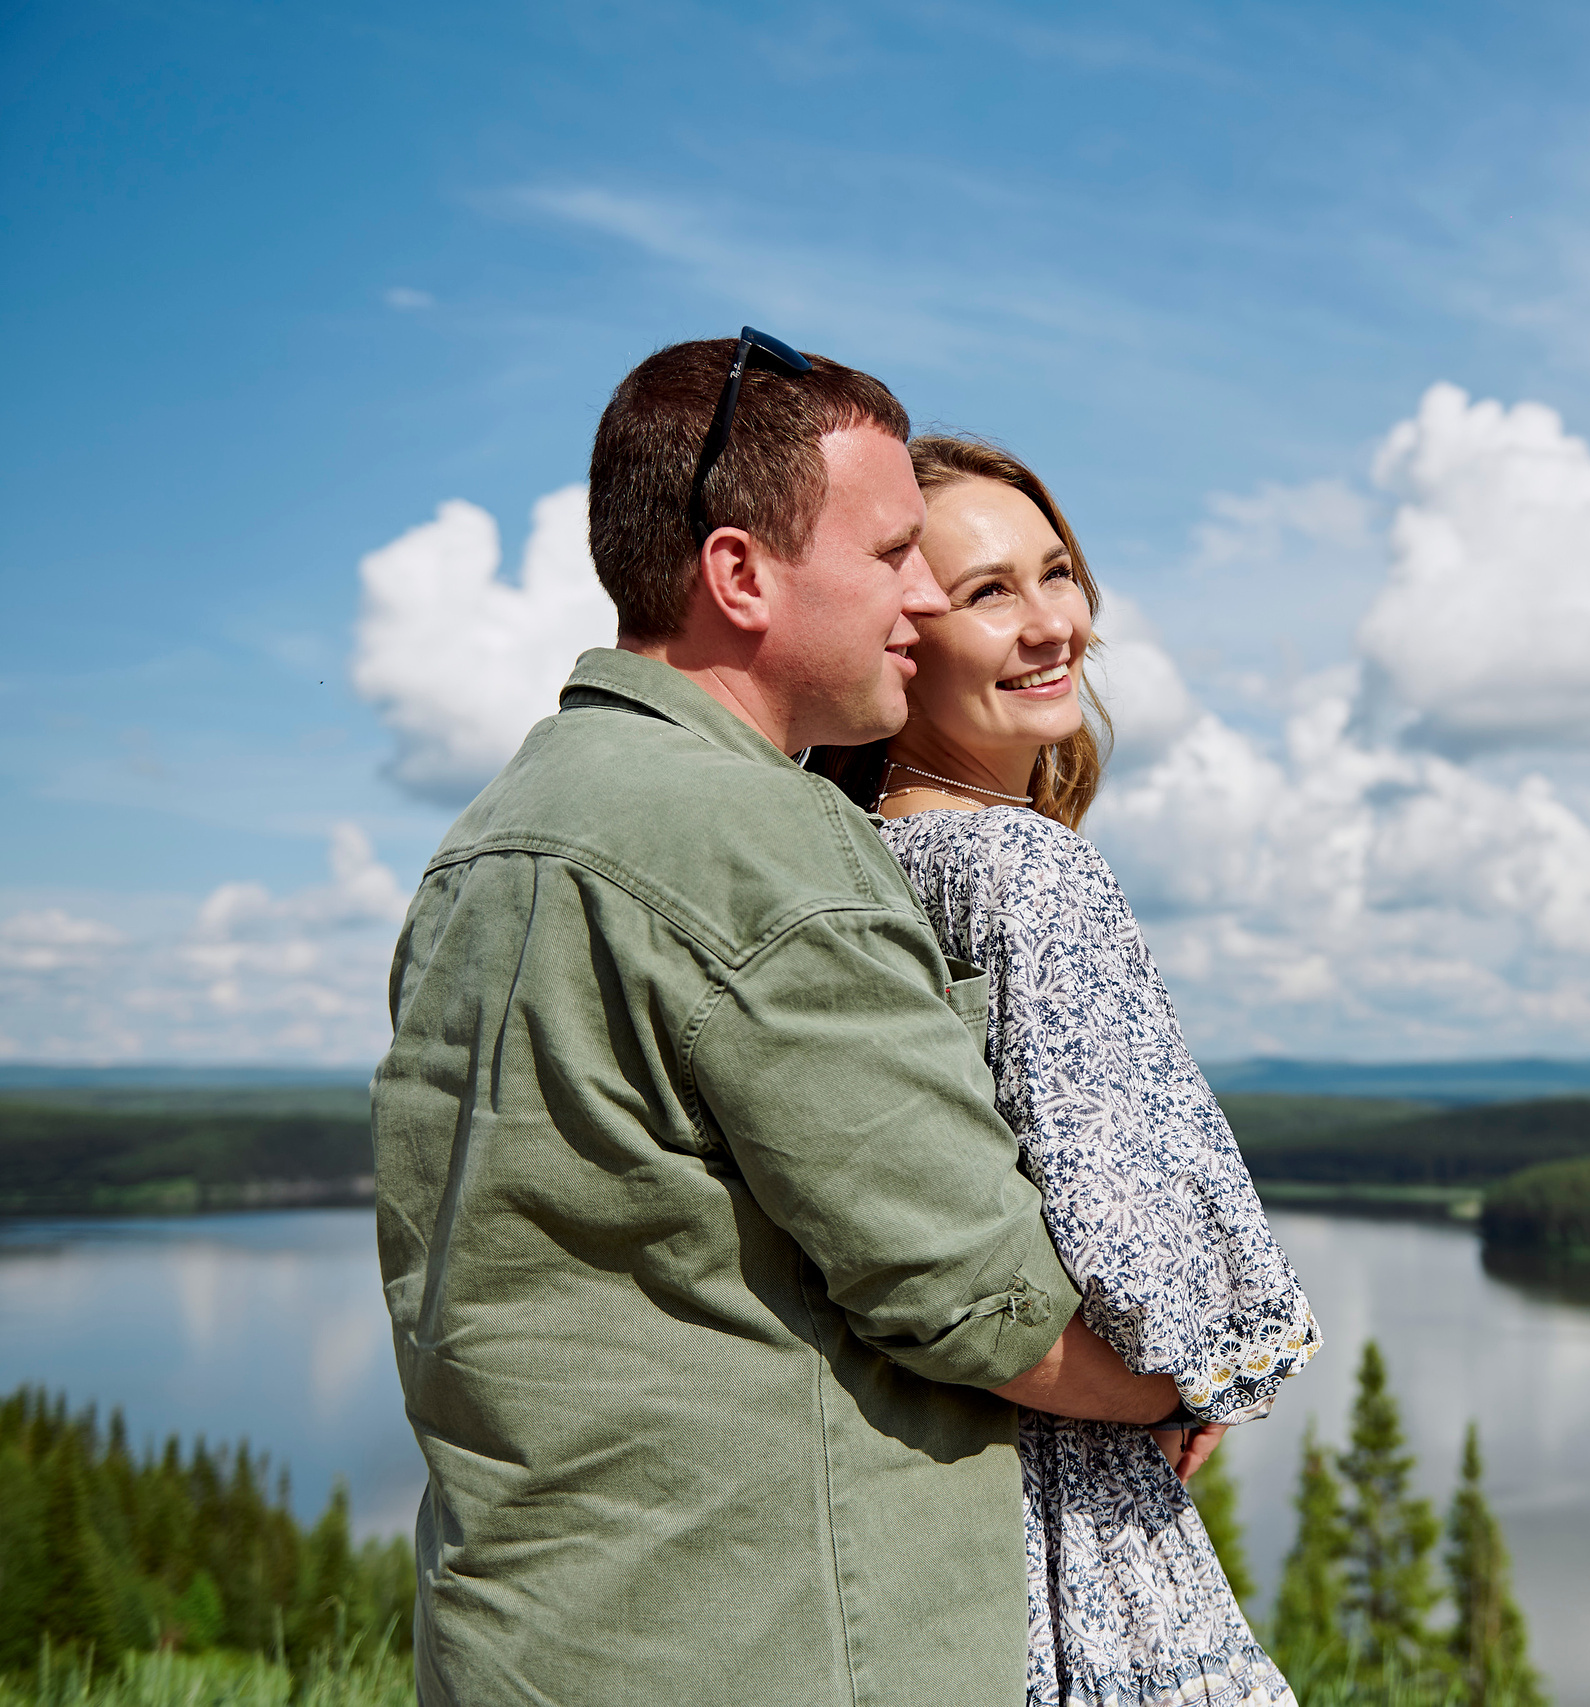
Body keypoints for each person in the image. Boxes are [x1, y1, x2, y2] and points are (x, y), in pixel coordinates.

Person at [372, 334, 1175, 1707]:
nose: (921, 596)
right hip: (769, 1643)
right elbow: (974, 1297)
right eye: (891, 553)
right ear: (740, 575)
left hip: (528, 1642)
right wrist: (1180, 1383)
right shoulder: (758, 842)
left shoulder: (493, 833)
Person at [808, 436, 1322, 1707]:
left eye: (1057, 574)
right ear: (901, 636)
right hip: (1068, 1510)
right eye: (987, 593)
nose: (1053, 626)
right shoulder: (1031, 872)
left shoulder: (841, 859)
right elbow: (1139, 1273)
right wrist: (1193, 1369)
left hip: (913, 1494)